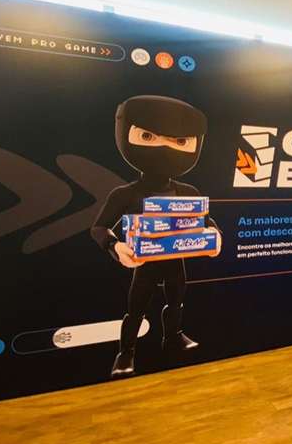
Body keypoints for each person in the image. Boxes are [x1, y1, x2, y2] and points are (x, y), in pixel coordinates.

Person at [90, 95, 221, 377]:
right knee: (136, 308)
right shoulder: (125, 194)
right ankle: (126, 353)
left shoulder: (189, 192)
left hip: (176, 259)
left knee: (176, 301)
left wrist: (215, 235)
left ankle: (173, 336)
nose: (164, 147)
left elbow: (205, 221)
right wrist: (116, 247)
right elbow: (98, 228)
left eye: (180, 140)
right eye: (148, 136)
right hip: (143, 262)